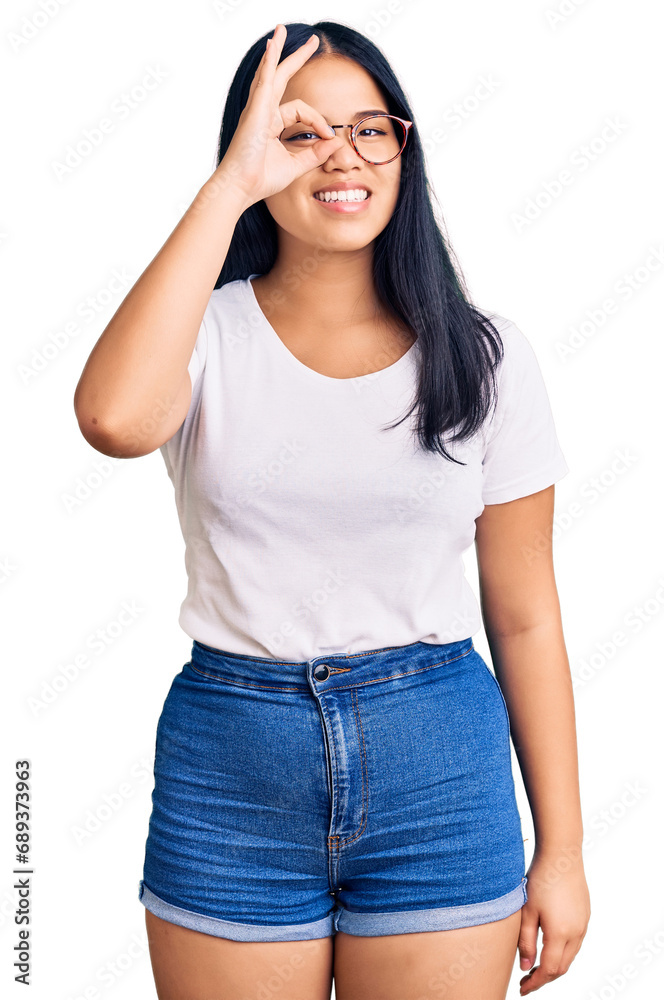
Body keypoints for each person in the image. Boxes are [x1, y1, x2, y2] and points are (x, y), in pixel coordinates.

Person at [73, 19, 591, 1000]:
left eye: (370, 129)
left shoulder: (487, 356)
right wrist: (228, 190)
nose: (341, 157)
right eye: (301, 133)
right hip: (232, 764)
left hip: (439, 766)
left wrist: (561, 850)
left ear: (405, 146)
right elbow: (110, 417)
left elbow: (525, 614)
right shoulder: (203, 336)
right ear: (254, 147)